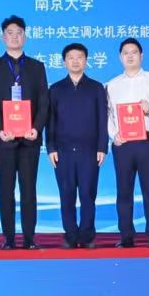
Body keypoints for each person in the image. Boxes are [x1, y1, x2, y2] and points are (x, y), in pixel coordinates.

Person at [0, 16, 51, 249]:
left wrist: (36, 128)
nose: (14, 36)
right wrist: (0, 129)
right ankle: (8, 238)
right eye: (10, 33)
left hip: (29, 139)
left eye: (18, 32)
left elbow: (43, 102)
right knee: (6, 189)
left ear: (25, 36)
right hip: (4, 139)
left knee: (29, 189)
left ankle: (29, 238)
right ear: (3, 37)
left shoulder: (37, 67)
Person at [106, 37, 149, 248]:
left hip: (147, 142)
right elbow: (108, 115)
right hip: (123, 143)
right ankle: (126, 235)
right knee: (124, 191)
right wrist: (114, 135)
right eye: (126, 53)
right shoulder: (112, 85)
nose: (130, 56)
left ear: (142, 55)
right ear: (120, 57)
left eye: (134, 52)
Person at [47, 42, 108, 248]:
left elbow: (102, 119)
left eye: (79, 57)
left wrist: (102, 147)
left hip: (89, 151)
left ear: (86, 61)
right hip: (62, 151)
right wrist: (51, 148)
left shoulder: (96, 88)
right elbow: (50, 120)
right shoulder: (56, 89)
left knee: (88, 195)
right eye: (71, 58)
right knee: (67, 195)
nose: (75, 61)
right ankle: (70, 235)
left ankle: (87, 235)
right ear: (64, 62)